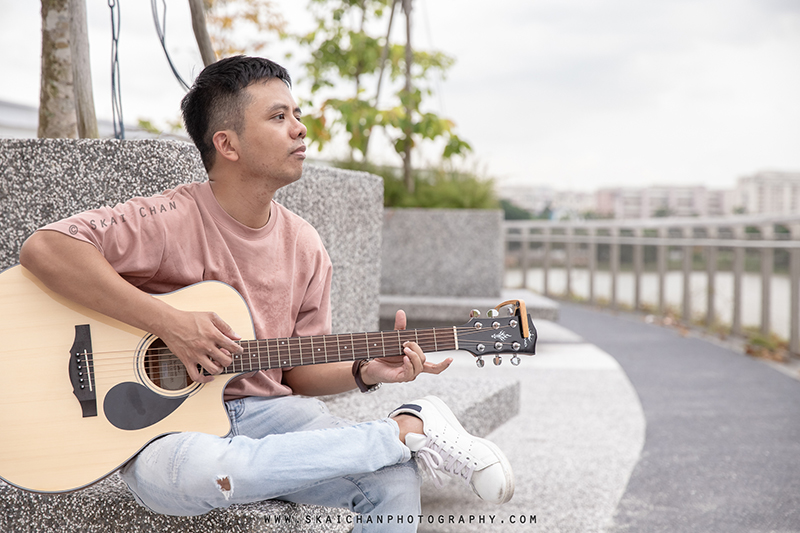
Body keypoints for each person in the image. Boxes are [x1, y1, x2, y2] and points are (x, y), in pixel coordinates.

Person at [19, 56, 514, 530]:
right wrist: (166, 322)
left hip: (271, 416)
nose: (300, 128)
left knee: (392, 481)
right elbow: (46, 248)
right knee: (201, 474)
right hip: (168, 435)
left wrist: (364, 370)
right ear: (227, 144)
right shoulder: (168, 219)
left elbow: (297, 372)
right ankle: (406, 431)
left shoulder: (305, 244)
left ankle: (403, 433)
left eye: (297, 114)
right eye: (279, 117)